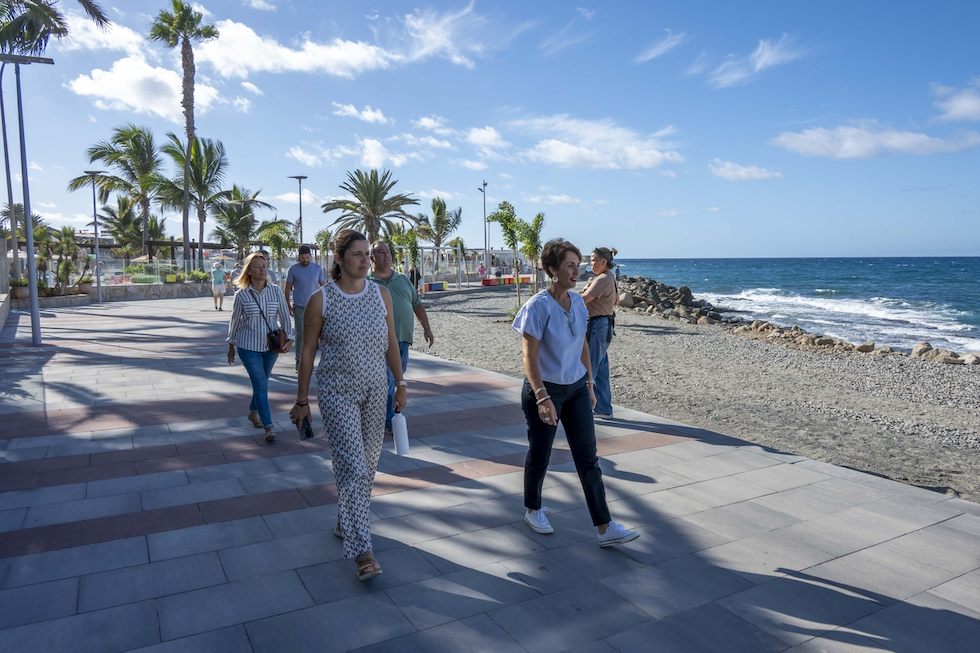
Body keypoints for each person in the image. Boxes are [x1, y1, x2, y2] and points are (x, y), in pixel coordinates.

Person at [289, 230, 408, 581]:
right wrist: (301, 399)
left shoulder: (381, 295)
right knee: (353, 466)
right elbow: (307, 353)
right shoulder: (320, 300)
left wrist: (400, 384)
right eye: (357, 254)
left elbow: (390, 344)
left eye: (367, 254)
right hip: (337, 393)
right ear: (339, 259)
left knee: (368, 466)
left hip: (376, 392)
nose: (365, 259)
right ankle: (362, 551)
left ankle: (347, 519)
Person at [512, 238, 639, 547]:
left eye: (577, 264)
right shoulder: (537, 306)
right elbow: (529, 357)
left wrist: (591, 384)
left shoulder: (580, 303)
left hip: (577, 389)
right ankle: (533, 509)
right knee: (540, 454)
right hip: (545, 390)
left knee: (588, 458)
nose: (576, 271)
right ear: (553, 269)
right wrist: (542, 397)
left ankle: (605, 527)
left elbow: (582, 344)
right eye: (569, 265)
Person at [226, 252, 294, 442]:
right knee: (261, 384)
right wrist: (231, 345)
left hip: (271, 347)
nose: (262, 269)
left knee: (262, 382)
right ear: (248, 271)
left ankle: (253, 412)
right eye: (257, 266)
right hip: (248, 346)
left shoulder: (276, 291)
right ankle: (269, 426)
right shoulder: (241, 295)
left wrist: (289, 338)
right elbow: (235, 321)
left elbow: (284, 316)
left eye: (264, 266)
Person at [368, 241, 434, 434]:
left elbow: (417, 303)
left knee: (397, 379)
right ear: (371, 257)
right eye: (381, 252)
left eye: (388, 251)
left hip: (403, 339)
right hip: (378, 342)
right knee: (387, 379)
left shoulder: (403, 279)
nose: (386, 255)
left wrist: (427, 328)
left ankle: (387, 416)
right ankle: (388, 420)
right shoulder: (366, 282)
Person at [581, 247, 618, 419]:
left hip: (598, 325)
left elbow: (583, 300)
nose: (591, 263)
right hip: (605, 325)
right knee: (601, 370)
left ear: (603, 261)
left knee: (590, 370)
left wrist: (562, 299)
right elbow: (616, 300)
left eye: (593, 259)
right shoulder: (610, 278)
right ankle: (603, 409)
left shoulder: (602, 279)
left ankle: (583, 410)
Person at [285, 245, 327, 372]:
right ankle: (299, 361)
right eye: (302, 258)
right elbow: (287, 288)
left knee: (318, 334)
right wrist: (288, 305)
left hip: (314, 306)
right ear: (298, 257)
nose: (305, 260)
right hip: (299, 306)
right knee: (300, 334)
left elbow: (324, 287)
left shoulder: (317, 268)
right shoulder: (293, 269)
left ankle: (316, 361)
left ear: (311, 256)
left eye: (307, 257)